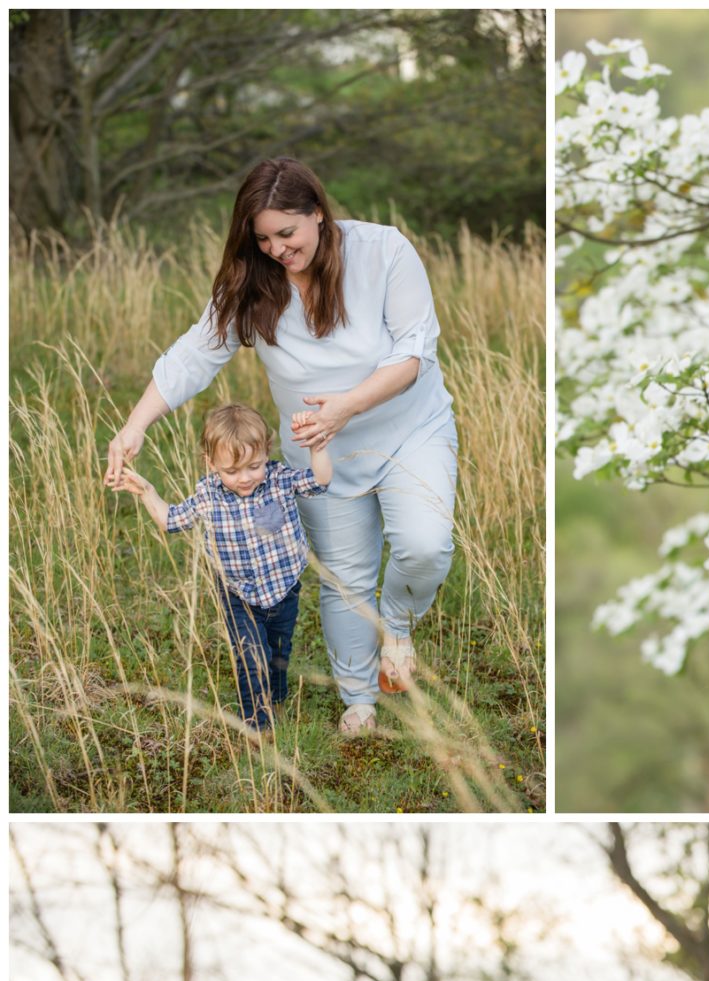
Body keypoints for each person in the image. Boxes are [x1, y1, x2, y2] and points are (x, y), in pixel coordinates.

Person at [104, 158, 457, 738]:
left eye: (286, 233)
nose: (276, 249)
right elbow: (195, 354)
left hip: (410, 430)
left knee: (425, 545)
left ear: (317, 212)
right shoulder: (252, 280)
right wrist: (135, 424)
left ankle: (396, 624)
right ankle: (359, 700)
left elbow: (414, 354)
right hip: (319, 453)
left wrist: (346, 406)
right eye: (263, 238)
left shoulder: (383, 252)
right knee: (345, 578)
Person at [112, 402, 331, 738]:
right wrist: (147, 492)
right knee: (251, 656)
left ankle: (276, 696)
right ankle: (257, 723)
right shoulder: (208, 495)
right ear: (211, 463)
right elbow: (171, 520)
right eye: (232, 471)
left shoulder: (279, 479)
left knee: (278, 650)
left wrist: (317, 447)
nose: (244, 478)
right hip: (237, 594)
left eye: (254, 466)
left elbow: (320, 480)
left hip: (283, 588)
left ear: (266, 452)